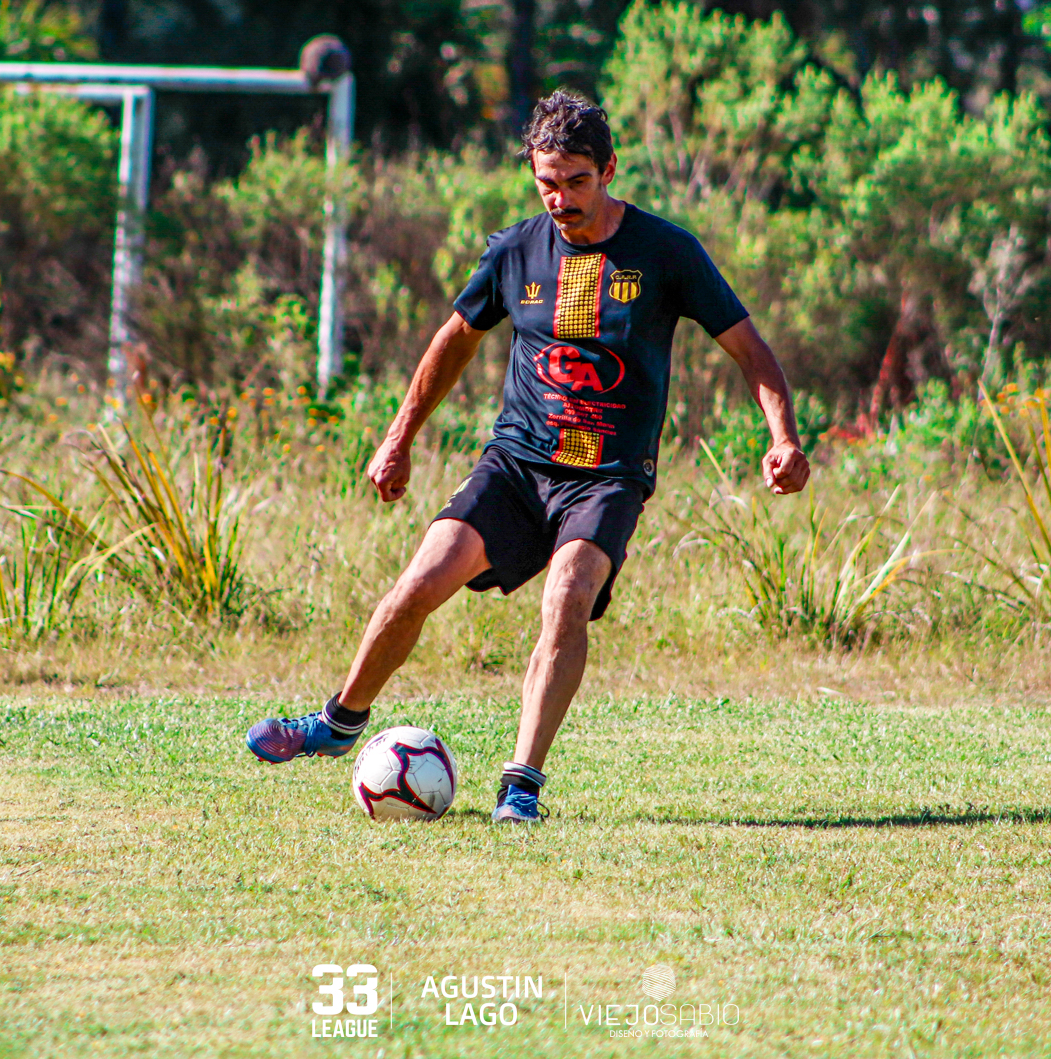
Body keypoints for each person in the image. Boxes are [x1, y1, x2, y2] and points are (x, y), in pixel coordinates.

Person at [246, 90, 810, 823]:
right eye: (548, 182)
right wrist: (398, 438)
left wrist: (783, 436)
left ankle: (522, 785)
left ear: (609, 170)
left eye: (577, 181)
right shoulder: (515, 251)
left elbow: (749, 348)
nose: (561, 198)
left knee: (567, 596)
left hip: (607, 476)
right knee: (419, 582)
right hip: (517, 465)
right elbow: (453, 341)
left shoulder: (667, 252)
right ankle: (339, 723)